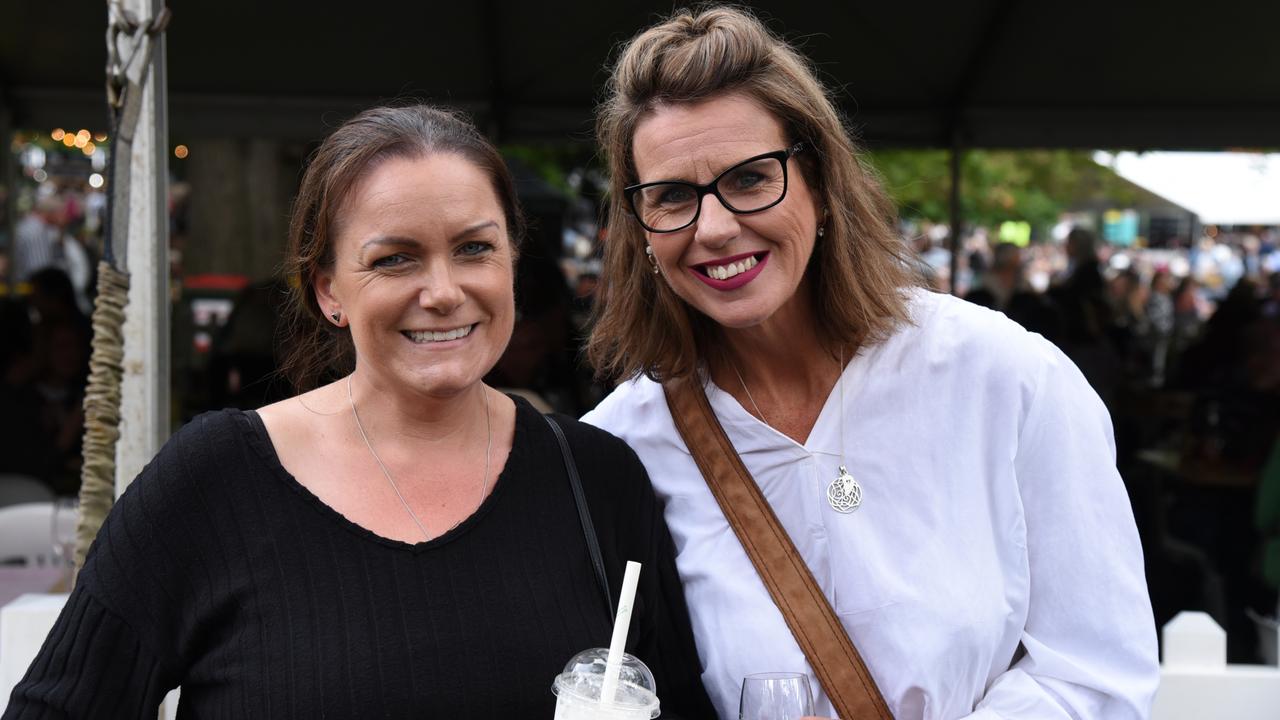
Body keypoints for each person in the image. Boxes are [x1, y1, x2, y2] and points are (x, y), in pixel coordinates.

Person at [5, 105, 714, 718]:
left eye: (474, 249)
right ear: (328, 291)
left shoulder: (597, 480)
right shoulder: (212, 482)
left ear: (511, 261)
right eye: (396, 259)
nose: (442, 291)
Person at [582, 7, 1158, 719]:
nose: (716, 227)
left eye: (752, 179)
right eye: (671, 196)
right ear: (639, 228)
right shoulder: (622, 449)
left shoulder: (1004, 379)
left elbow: (1097, 674)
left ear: (820, 183)